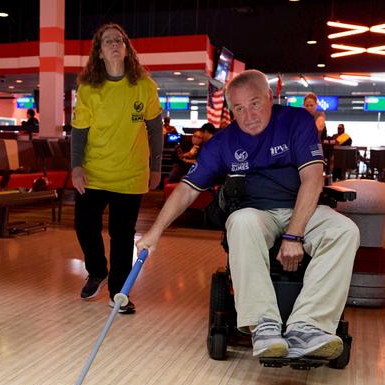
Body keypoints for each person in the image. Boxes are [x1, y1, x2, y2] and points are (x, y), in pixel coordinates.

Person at [137, 69, 359, 359]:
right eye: (239, 108)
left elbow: (313, 178)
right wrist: (154, 233)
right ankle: (263, 325)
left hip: (303, 208)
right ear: (231, 111)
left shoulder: (296, 121)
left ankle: (308, 326)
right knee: (240, 222)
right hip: (256, 213)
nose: (248, 115)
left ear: (269, 97)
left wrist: (294, 234)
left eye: (254, 104)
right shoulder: (222, 143)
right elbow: (187, 189)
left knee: (344, 230)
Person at [71, 22, 163, 314]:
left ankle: (119, 293)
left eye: (119, 41)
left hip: (131, 174)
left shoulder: (144, 86)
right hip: (94, 172)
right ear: (99, 52)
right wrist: (76, 166)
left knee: (122, 235)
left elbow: (155, 128)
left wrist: (156, 167)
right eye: (108, 41)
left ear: (127, 49)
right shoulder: (88, 89)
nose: (114, 45)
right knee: (84, 225)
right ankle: (97, 270)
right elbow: (79, 132)